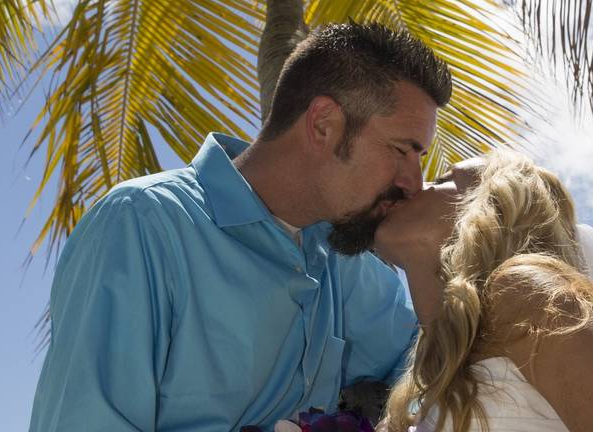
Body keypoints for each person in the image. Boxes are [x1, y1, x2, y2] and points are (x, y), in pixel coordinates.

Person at [29, 22, 453, 431]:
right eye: (402, 150)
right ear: (323, 123)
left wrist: (423, 254)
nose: (413, 182)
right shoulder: (143, 224)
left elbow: (436, 369)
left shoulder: (341, 260)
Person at [376, 151, 593, 432]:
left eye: (445, 180)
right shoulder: (432, 379)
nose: (416, 185)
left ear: (492, 213)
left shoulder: (523, 295)